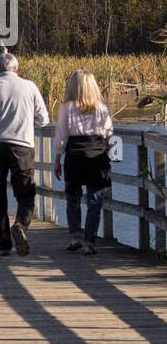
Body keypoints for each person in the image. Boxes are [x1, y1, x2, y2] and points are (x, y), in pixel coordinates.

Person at [0, 53, 50, 257]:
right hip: (22, 146)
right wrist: (26, 122)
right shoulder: (30, 86)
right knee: (25, 193)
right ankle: (21, 224)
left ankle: (3, 243)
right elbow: (43, 119)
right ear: (17, 68)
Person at [53, 69, 113, 255]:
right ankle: (89, 241)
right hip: (97, 157)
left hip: (75, 156)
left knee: (73, 198)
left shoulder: (67, 107)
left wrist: (57, 158)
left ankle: (75, 237)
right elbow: (109, 133)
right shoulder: (101, 108)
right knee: (94, 200)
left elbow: (61, 136)